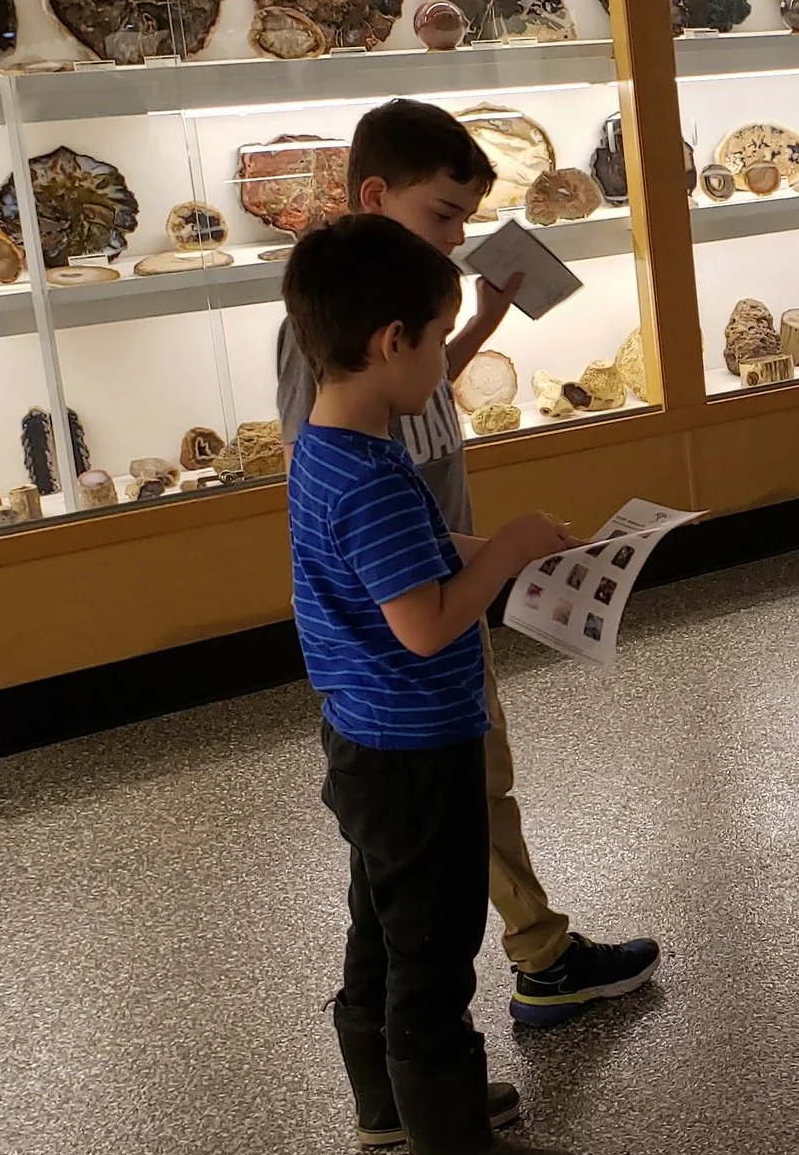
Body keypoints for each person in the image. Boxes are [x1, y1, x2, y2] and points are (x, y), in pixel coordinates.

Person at [277, 98, 659, 1037]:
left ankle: (533, 950)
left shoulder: (397, 324)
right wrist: (481, 559)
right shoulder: (327, 337)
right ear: (375, 195)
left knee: (476, 777)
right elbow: (331, 453)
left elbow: (408, 389)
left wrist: (478, 325)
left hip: (443, 563)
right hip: (418, 597)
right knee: (462, 786)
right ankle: (539, 955)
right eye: (445, 215)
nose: (460, 237)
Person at [282, 212, 581, 1155]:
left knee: (380, 920)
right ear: (390, 343)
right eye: (436, 339)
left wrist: (463, 549)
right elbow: (423, 626)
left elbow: (385, 578)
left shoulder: (323, 449)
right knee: (432, 949)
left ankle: (384, 1104)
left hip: (363, 739)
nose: (436, 380)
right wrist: (502, 549)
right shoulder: (369, 477)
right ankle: (450, 1151)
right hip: (416, 745)